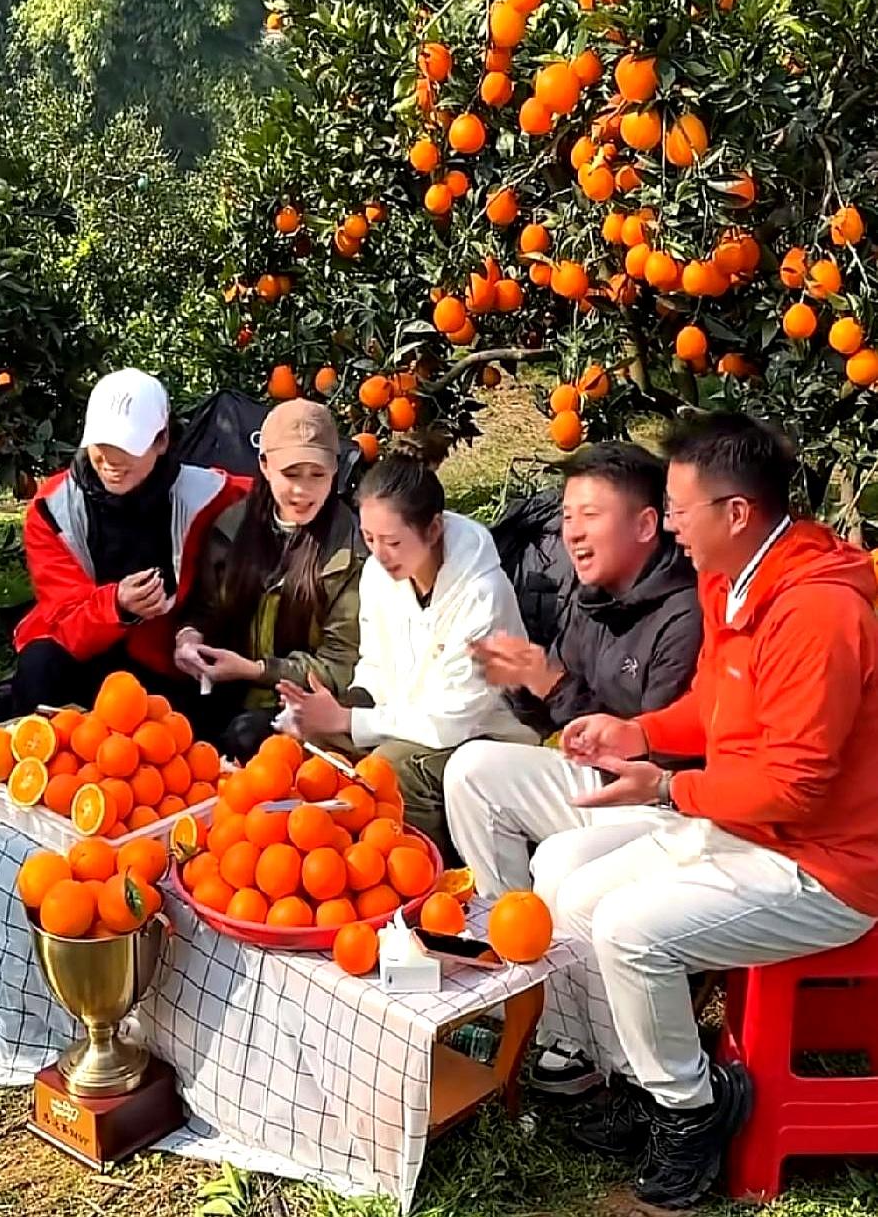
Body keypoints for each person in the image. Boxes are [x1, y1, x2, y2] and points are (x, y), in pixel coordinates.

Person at [530, 412, 878, 1210]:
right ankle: (639, 1077)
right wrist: (643, 732)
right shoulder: (734, 579)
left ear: (737, 512)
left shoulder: (817, 613)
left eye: (681, 509)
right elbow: (715, 708)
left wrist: (664, 788)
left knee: (631, 929)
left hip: (824, 866)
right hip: (745, 828)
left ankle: (693, 1110)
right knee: (574, 897)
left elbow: (795, 788)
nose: (672, 524)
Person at [444, 444, 701, 897]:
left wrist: (551, 683)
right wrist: (523, 682)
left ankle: (553, 941)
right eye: (567, 516)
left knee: (559, 860)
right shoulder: (595, 598)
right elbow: (558, 716)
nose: (573, 533)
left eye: (590, 515)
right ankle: (508, 920)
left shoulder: (685, 617)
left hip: (665, 805)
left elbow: (655, 753)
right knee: (470, 770)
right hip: (599, 779)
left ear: (645, 525)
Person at [276, 435, 538, 858]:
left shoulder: (481, 595)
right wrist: (337, 707)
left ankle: (428, 871)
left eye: (393, 542)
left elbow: (452, 720)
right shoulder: (379, 574)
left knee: (389, 770)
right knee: (313, 755)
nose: (380, 556)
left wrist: (348, 719)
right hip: (401, 720)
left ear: (433, 529)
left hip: (480, 735)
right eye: (369, 539)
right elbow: (375, 663)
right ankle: (337, 868)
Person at [12, 368, 248, 714]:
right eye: (102, 444)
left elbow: (276, 491)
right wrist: (117, 605)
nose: (111, 459)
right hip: (83, 651)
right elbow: (64, 618)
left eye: (127, 445)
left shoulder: (205, 494)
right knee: (39, 665)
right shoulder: (53, 508)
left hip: (169, 660)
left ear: (162, 441)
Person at [173, 399, 364, 760]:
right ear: (265, 465)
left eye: (317, 475)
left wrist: (256, 671)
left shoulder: (351, 552)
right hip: (225, 690)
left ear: (335, 470)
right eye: (291, 474)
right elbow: (204, 608)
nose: (303, 490)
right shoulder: (232, 527)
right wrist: (189, 638)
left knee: (245, 739)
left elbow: (340, 666)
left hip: (302, 708)